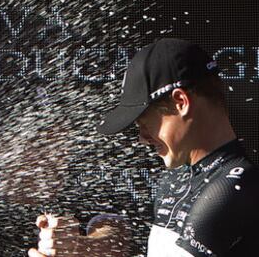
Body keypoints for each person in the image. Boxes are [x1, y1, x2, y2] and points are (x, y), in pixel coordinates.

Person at [28, 38, 259, 256]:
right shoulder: (177, 176)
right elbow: (122, 230)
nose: (142, 138)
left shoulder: (232, 191)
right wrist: (82, 246)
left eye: (145, 124)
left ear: (181, 103)